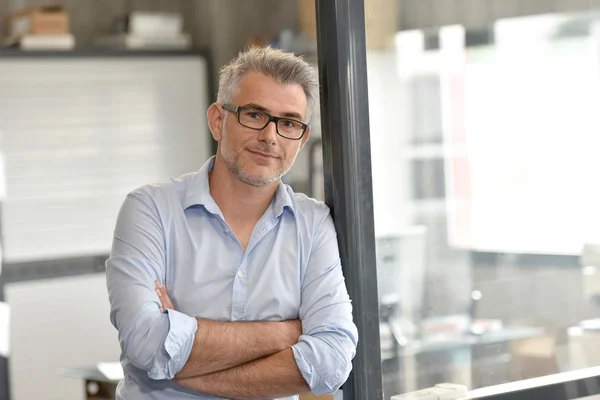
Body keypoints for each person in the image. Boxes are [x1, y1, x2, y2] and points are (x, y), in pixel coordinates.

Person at [106, 46, 358, 400]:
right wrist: (287, 334)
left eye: (288, 122)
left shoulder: (313, 224)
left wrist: (188, 368)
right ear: (217, 120)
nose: (270, 136)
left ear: (301, 139)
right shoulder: (150, 210)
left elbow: (332, 361)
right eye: (254, 114)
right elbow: (146, 342)